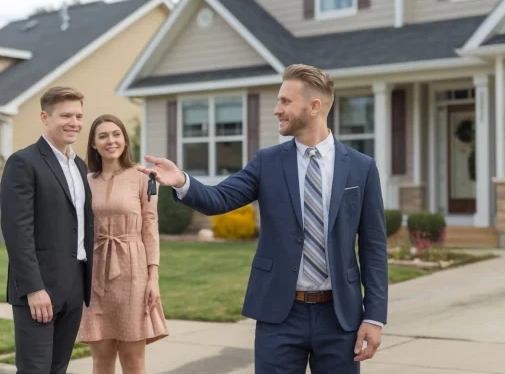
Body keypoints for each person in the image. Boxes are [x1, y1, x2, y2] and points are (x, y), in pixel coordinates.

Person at [139, 64, 388, 373]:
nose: (276, 110)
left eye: (285, 101)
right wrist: (182, 181)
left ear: (314, 107)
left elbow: (374, 248)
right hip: (280, 314)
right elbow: (220, 198)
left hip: (340, 317)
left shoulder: (361, 168)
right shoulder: (268, 162)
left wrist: (374, 316)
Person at [0, 86, 94, 373]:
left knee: (58, 368)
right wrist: (34, 288)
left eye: (78, 116)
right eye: (65, 115)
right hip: (39, 288)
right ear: (45, 117)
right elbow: (17, 231)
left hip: (74, 284)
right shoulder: (23, 162)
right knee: (34, 369)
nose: (74, 123)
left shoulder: (79, 165)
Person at [77, 114, 168, 374]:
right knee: (102, 357)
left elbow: (150, 226)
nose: (111, 140)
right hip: (95, 272)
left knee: (133, 358)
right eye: (103, 136)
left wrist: (154, 276)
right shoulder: (84, 180)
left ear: (125, 141)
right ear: (93, 144)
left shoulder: (142, 176)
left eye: (116, 134)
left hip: (133, 271)